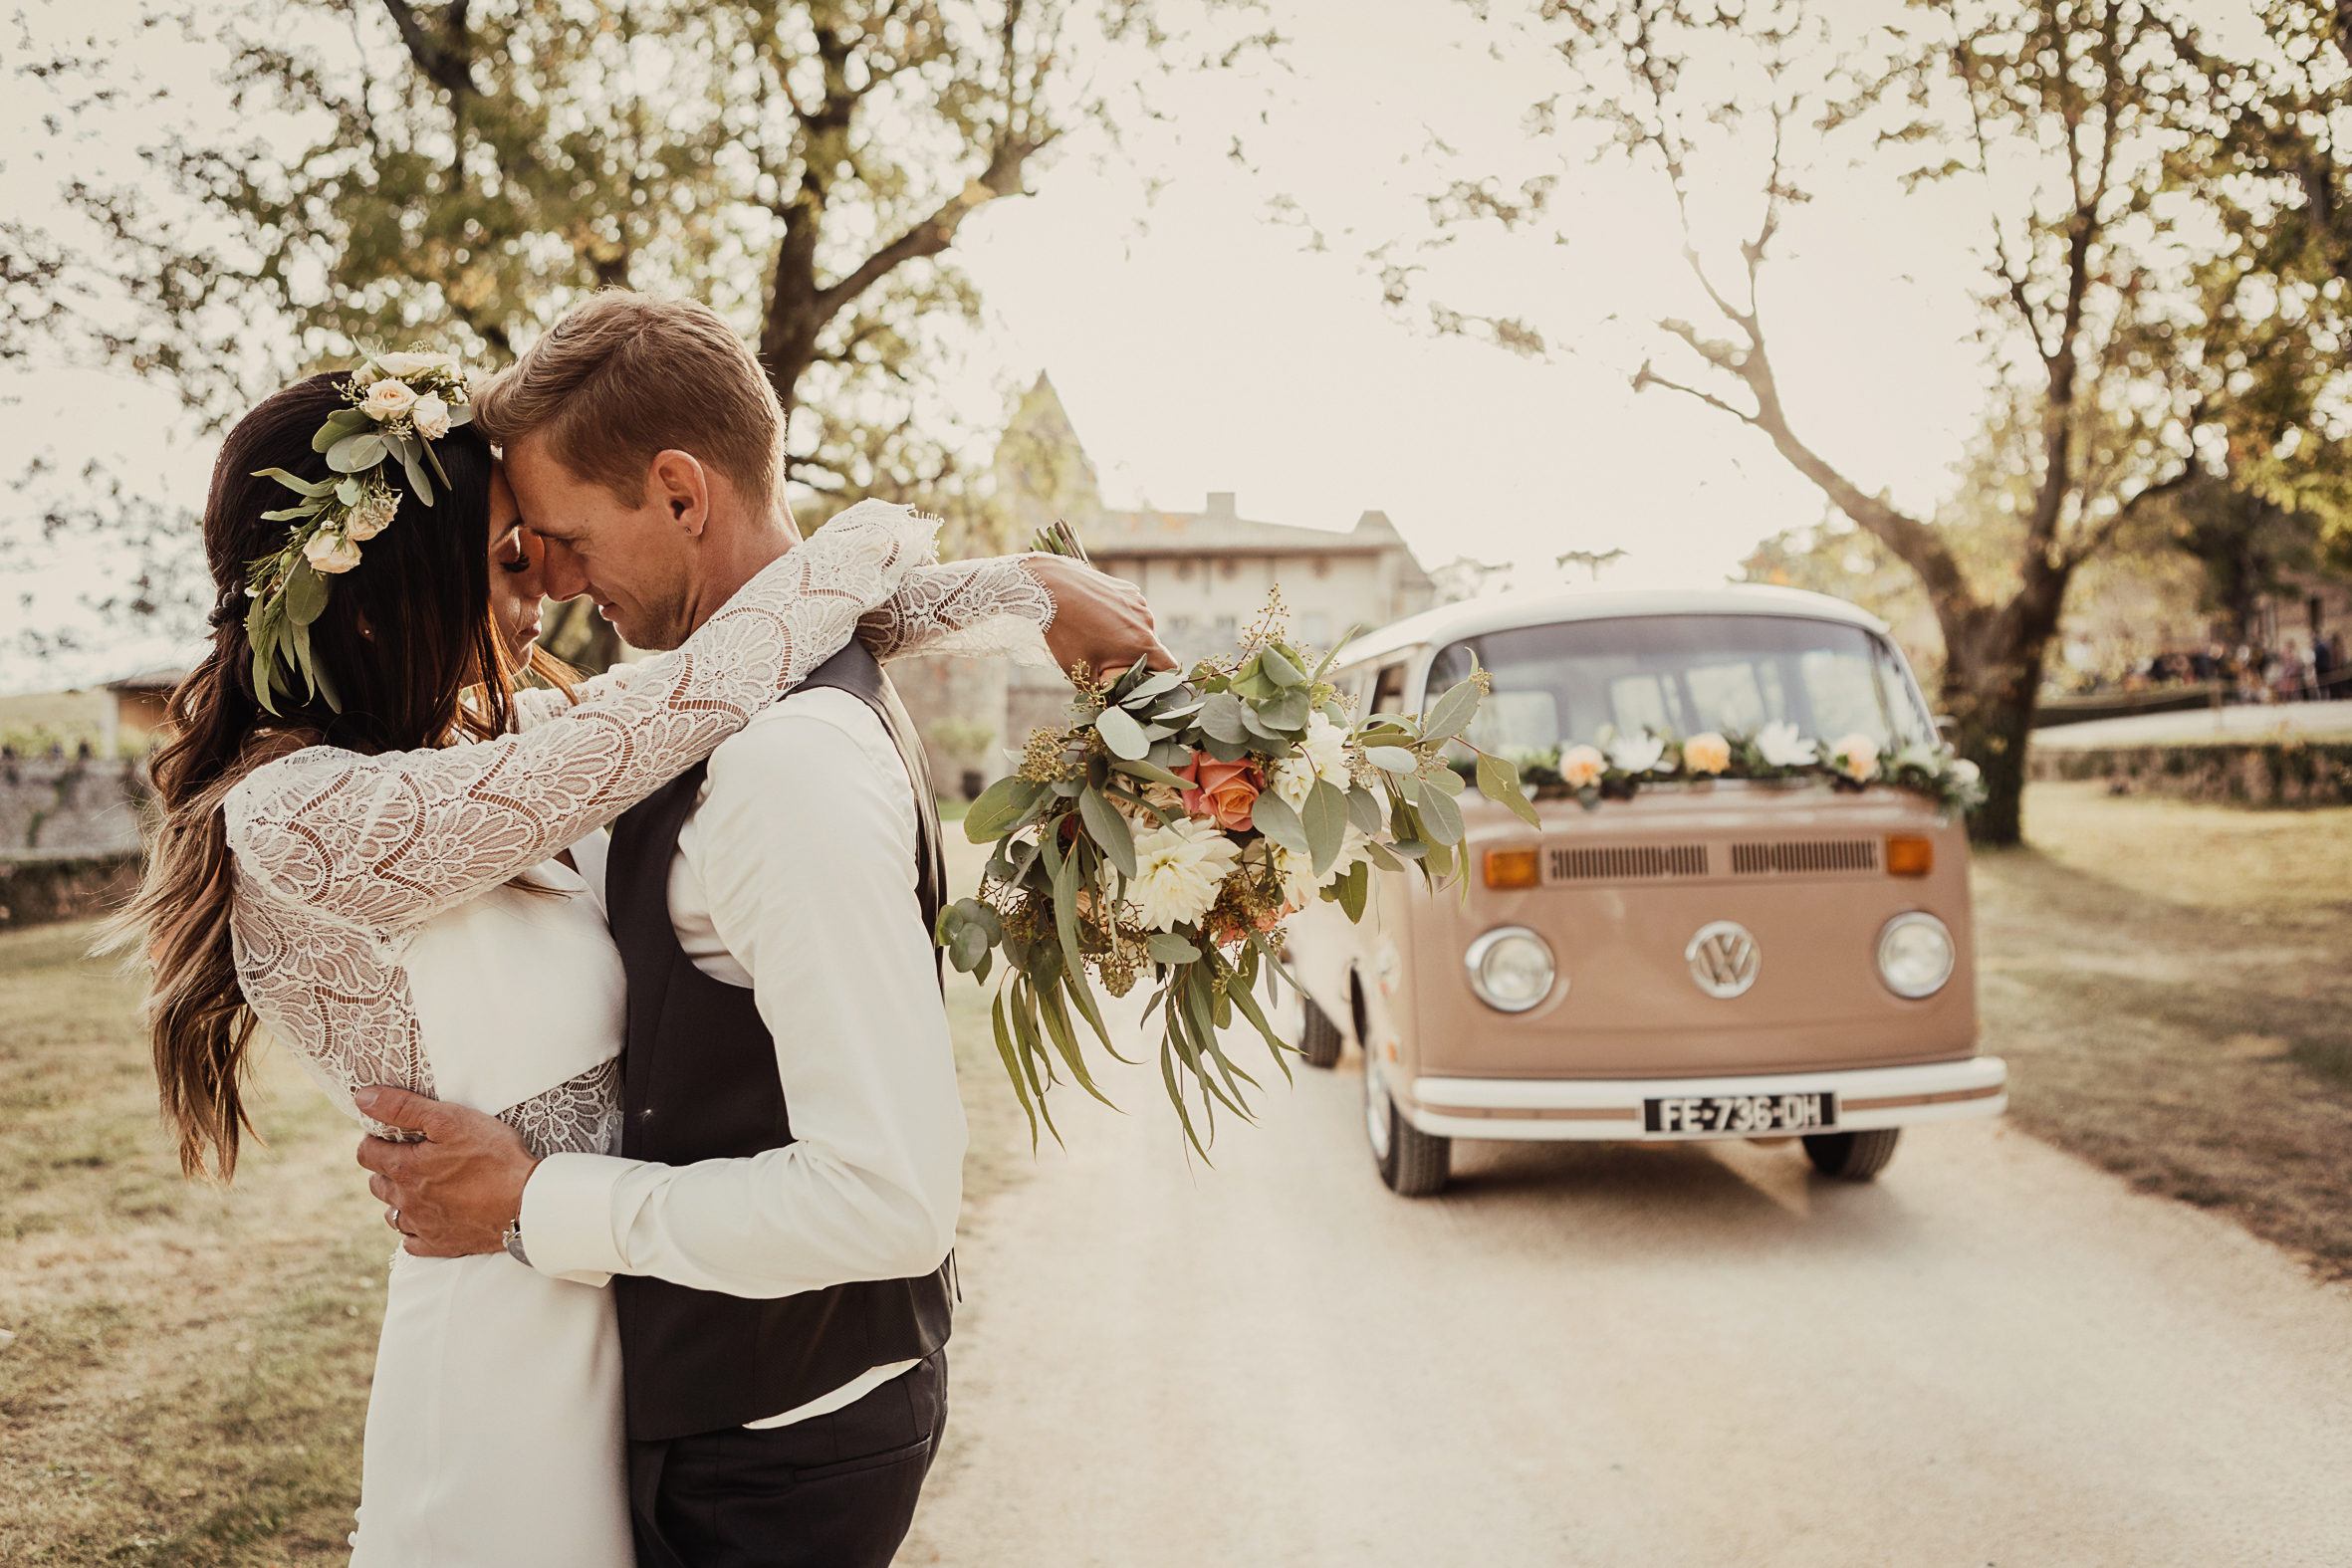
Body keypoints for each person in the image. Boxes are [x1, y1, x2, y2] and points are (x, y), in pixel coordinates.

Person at [107, 312, 1166, 1566]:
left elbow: (718, 677)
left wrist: (1010, 594)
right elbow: (697, 693)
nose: (543, 595)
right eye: (510, 561)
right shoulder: (308, 821)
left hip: (618, 1334)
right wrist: (881, 544)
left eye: (542, 549)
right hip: (500, 1367)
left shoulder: (467, 760)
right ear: (384, 590)